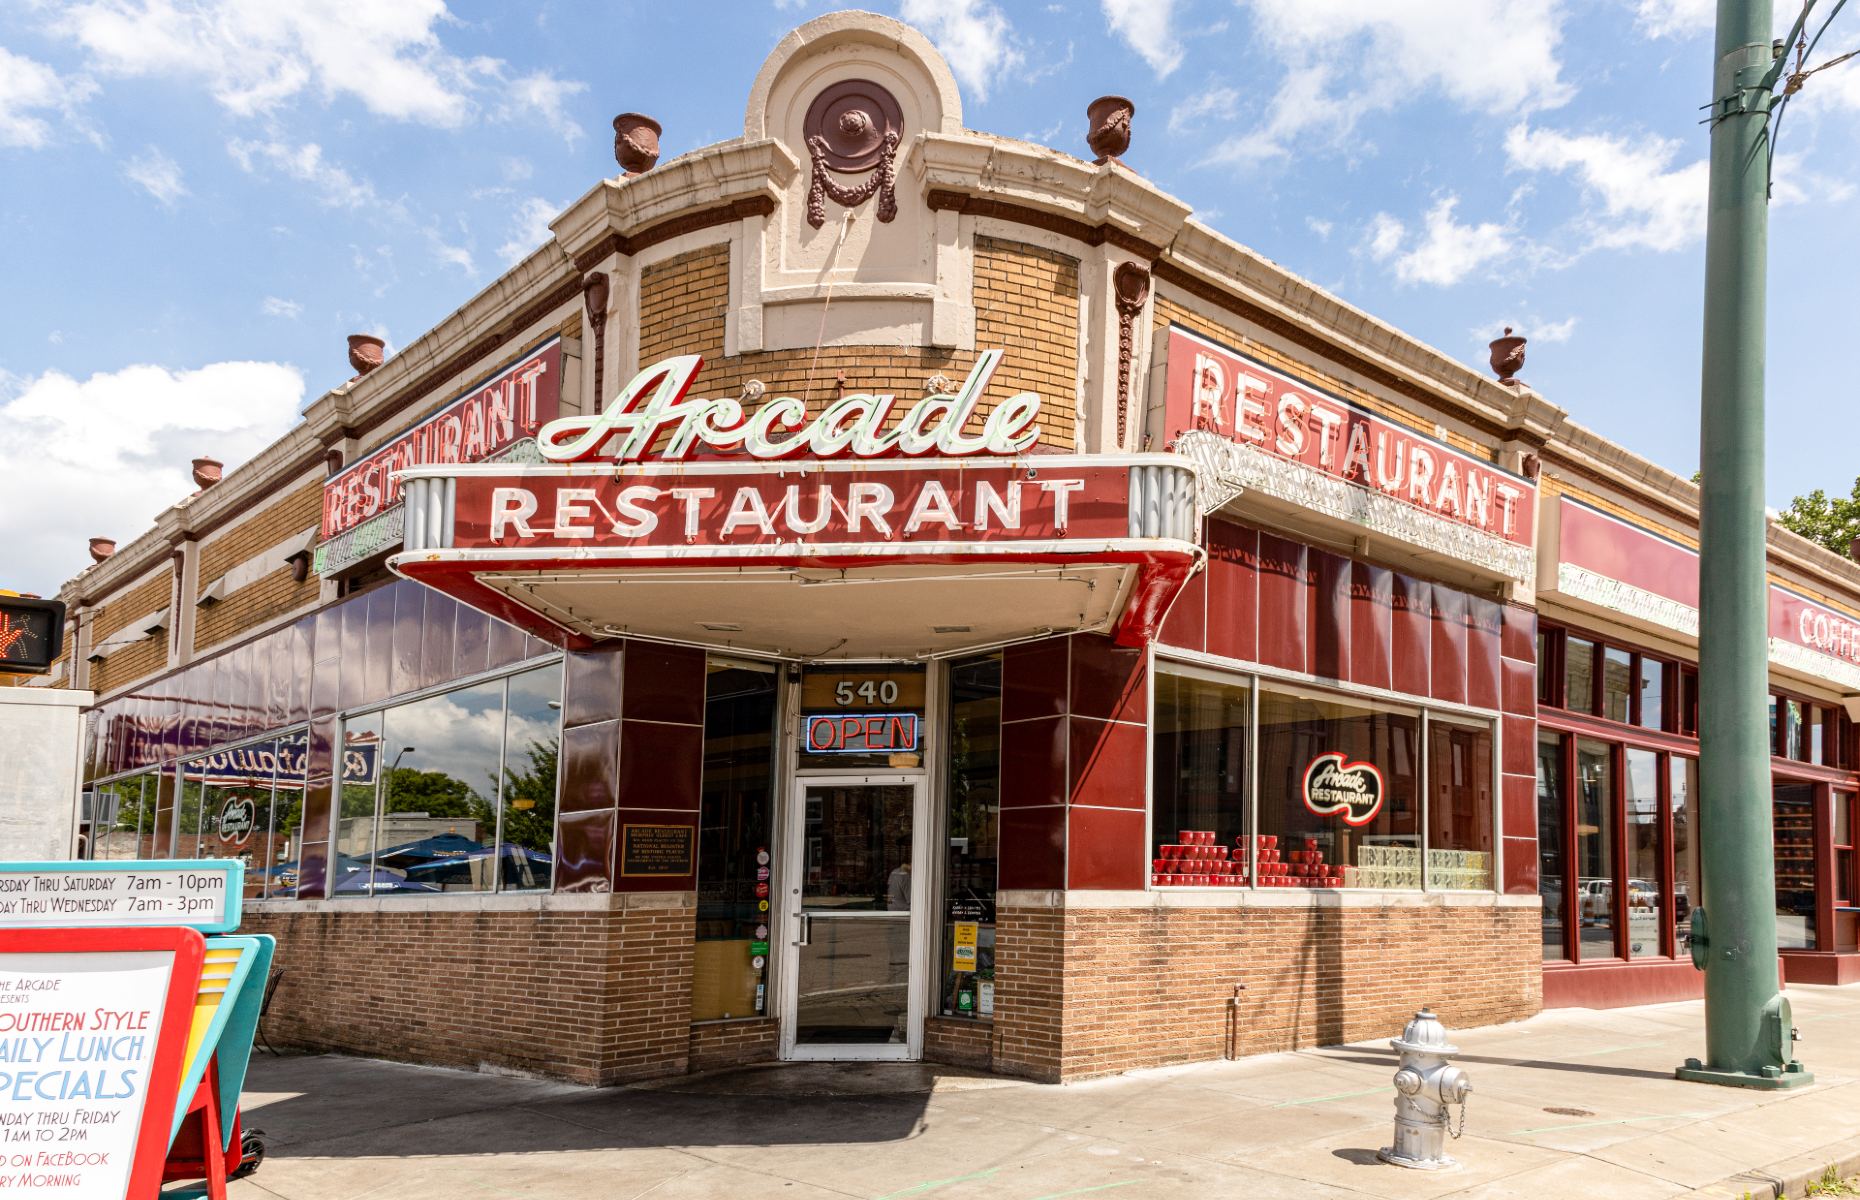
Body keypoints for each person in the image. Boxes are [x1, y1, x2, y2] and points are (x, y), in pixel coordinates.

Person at [886, 837, 911, 910]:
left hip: (891, 908)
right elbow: (911, 900)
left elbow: (889, 894)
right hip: (903, 911)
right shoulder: (906, 876)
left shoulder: (893, 872)